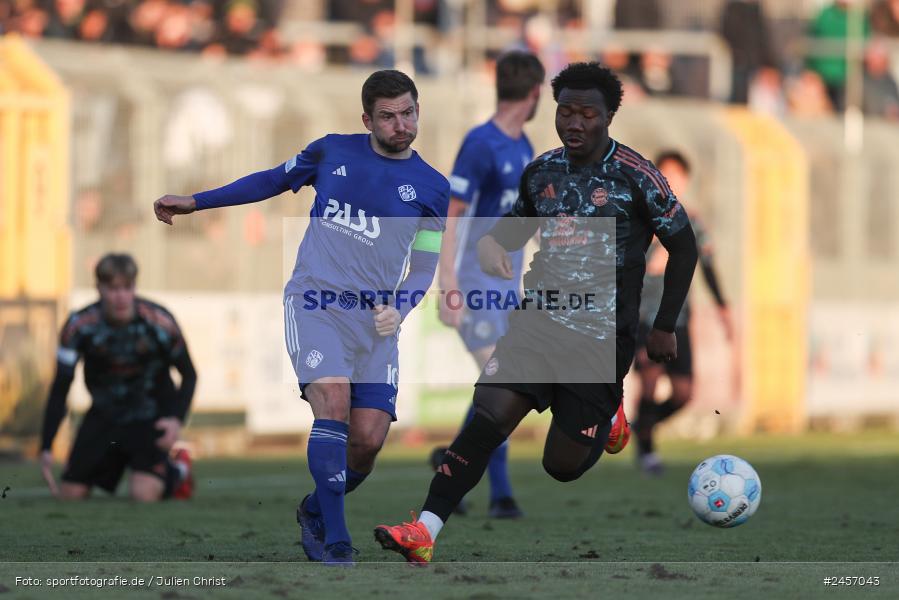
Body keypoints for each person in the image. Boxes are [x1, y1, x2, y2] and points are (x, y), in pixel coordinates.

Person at [374, 62, 698, 563]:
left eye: (586, 113)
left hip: (599, 339)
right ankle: (424, 530)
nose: (573, 122)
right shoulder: (542, 171)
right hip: (537, 324)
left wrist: (663, 325)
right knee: (486, 419)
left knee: (561, 466)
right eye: (564, 111)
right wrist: (490, 252)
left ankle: (608, 412)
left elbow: (684, 248)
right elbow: (506, 234)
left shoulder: (636, 176)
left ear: (608, 115)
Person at [153, 69, 449, 565]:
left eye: (408, 113)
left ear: (418, 111)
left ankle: (315, 509)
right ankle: (335, 540)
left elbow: (423, 264)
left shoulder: (433, 188)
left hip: (375, 321)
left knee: (368, 442)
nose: (400, 124)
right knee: (332, 401)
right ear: (367, 119)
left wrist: (401, 307)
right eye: (388, 116)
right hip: (316, 303)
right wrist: (196, 202)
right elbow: (271, 180)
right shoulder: (331, 151)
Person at [431, 50, 544, 520]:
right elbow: (450, 215)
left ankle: (450, 464)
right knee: (504, 387)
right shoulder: (479, 144)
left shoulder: (524, 146)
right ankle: (501, 495)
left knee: (494, 390)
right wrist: (449, 283)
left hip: (506, 291)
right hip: (474, 286)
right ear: (535, 93)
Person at [40, 253, 196, 502]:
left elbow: (189, 375)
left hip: (149, 416)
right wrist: (46, 446)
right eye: (113, 289)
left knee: (143, 494)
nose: (121, 296)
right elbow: (60, 387)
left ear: (134, 287)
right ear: (99, 288)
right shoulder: (79, 327)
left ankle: (178, 470)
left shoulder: (159, 322)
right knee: (70, 495)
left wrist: (176, 420)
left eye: (127, 288)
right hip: (104, 415)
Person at [632, 151, 733, 476]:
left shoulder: (691, 220)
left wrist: (722, 307)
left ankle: (640, 427)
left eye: (677, 175)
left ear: (685, 180)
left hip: (678, 317)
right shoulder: (639, 217)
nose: (671, 181)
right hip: (643, 313)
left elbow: (706, 265)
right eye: (665, 174)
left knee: (684, 393)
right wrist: (652, 263)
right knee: (649, 378)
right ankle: (647, 451)